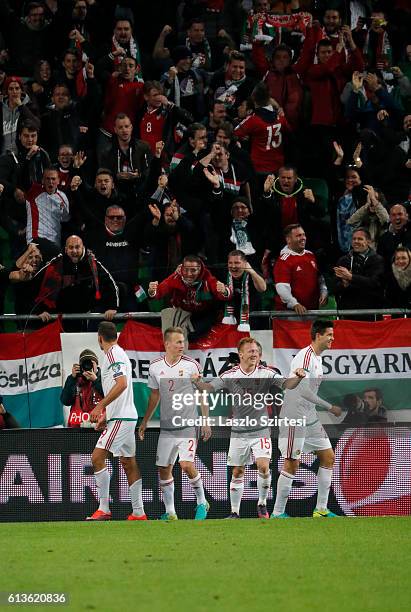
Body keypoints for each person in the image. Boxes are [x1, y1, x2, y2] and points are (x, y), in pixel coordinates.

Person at [193, 337, 305, 519]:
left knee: (263, 466)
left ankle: (262, 504)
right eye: (251, 351)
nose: (255, 354)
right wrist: (198, 382)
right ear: (241, 354)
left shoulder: (266, 373)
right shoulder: (230, 375)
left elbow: (286, 384)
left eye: (257, 351)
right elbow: (208, 387)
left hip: (260, 430)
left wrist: (298, 377)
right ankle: (235, 512)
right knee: (238, 471)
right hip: (238, 432)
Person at [138, 326, 210, 521]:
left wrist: (205, 421)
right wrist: (145, 421)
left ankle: (202, 502)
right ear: (167, 344)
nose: (182, 345)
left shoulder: (191, 365)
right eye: (178, 342)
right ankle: (170, 512)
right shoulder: (155, 367)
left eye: (183, 341)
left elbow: (202, 392)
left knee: (186, 464)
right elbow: (154, 395)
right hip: (167, 427)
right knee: (164, 469)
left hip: (188, 425)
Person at [272, 319, 342, 519]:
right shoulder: (304, 357)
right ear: (318, 335)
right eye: (329, 334)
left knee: (328, 457)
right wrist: (330, 407)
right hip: (294, 415)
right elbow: (302, 391)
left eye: (332, 334)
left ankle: (321, 509)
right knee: (292, 463)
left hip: (309, 416)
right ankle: (277, 513)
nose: (332, 338)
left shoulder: (318, 359)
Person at [86, 321, 147, 521]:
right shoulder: (120, 354)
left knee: (97, 458)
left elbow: (121, 384)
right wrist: (106, 416)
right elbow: (121, 387)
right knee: (128, 461)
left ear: (99, 338)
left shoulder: (112, 354)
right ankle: (139, 513)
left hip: (122, 418)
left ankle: (104, 508)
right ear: (117, 336)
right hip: (125, 416)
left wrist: (100, 406)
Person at [34, 235, 118, 329]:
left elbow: (110, 282)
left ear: (83, 248)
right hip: (60, 316)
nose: (74, 251)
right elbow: (37, 283)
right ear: (66, 249)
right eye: (71, 247)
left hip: (85, 315)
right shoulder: (56, 262)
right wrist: (40, 310)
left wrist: (112, 307)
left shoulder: (92, 262)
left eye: (77, 247)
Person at [148, 255, 231, 343]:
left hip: (204, 314)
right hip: (183, 312)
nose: (189, 274)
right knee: (172, 333)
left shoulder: (208, 278)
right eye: (186, 269)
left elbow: (225, 294)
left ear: (200, 270)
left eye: (193, 270)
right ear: (182, 268)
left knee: (191, 336)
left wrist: (224, 291)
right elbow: (159, 292)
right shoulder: (176, 277)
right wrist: (152, 291)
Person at [273, 224, 328, 315]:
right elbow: (282, 287)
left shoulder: (310, 255)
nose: (303, 238)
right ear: (288, 240)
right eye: (298, 236)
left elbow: (319, 277)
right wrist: (294, 304)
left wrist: (324, 291)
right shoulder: (283, 261)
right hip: (291, 315)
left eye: (304, 234)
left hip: (312, 311)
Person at [334, 228, 385, 314]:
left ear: (368, 241)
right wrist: (344, 284)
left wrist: (351, 277)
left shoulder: (377, 260)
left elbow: (375, 283)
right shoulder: (343, 260)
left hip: (371, 312)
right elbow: (334, 287)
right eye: (354, 239)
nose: (356, 241)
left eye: (360, 239)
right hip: (347, 312)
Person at [222, 250, 266, 332]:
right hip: (230, 317)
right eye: (230, 263)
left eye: (237, 263)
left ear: (245, 263)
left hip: (251, 317)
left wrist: (252, 272)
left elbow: (262, 288)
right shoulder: (224, 273)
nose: (233, 266)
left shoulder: (252, 272)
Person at [60, 349, 103, 428]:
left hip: (98, 426)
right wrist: (72, 379)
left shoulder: (104, 378)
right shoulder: (74, 379)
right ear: (81, 366)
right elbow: (66, 401)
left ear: (97, 364)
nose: (88, 367)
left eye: (91, 363)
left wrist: (95, 380)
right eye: (85, 364)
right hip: (76, 428)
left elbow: (110, 396)